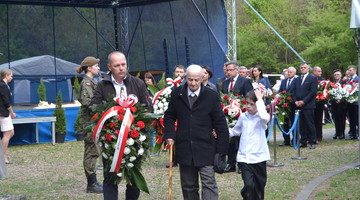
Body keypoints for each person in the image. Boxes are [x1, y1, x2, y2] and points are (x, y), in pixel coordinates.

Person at [90, 51, 152, 200]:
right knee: (110, 176)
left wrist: (137, 120)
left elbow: (149, 108)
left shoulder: (138, 83)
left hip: (134, 137)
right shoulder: (102, 85)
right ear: (109, 67)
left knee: (133, 176)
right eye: (117, 65)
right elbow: (93, 107)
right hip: (111, 138)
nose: (121, 68)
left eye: (123, 64)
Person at [164, 64, 229, 200]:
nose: (193, 83)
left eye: (196, 80)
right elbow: (169, 116)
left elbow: (220, 123)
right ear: (185, 78)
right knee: (188, 186)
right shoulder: (177, 93)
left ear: (202, 78)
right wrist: (169, 135)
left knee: (208, 183)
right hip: (185, 146)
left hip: (206, 146)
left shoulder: (211, 95)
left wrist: (222, 149)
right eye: (190, 80)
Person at [229, 89, 270, 200]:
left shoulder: (262, 118)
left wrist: (260, 100)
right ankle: (246, 193)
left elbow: (265, 117)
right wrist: (222, 132)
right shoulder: (243, 117)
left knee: (259, 186)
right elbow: (235, 131)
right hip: (245, 158)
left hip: (259, 157)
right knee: (249, 185)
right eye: (247, 103)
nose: (248, 106)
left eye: (252, 104)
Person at [76, 56, 102, 193]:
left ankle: (94, 182)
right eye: (96, 66)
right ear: (90, 68)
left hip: (93, 122)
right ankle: (91, 184)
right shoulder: (86, 83)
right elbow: (87, 102)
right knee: (91, 152)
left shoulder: (91, 81)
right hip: (89, 123)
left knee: (94, 151)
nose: (98, 68)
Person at [221, 61, 253, 174]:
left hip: (241, 114)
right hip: (228, 115)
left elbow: (250, 97)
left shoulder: (245, 81)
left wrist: (242, 107)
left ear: (236, 70)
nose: (228, 72)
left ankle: (242, 164)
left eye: (230, 70)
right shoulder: (225, 83)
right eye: (227, 70)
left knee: (241, 140)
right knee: (229, 139)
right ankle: (231, 163)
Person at [293, 63, 318, 149]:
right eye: (301, 68)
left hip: (308, 105)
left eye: (304, 67)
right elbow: (293, 91)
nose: (303, 69)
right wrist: (296, 101)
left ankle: (313, 141)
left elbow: (312, 92)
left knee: (309, 124)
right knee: (301, 125)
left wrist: (303, 101)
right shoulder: (297, 79)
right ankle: (303, 141)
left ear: (308, 69)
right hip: (298, 106)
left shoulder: (312, 78)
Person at [0, 69, 16, 164]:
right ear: (6, 76)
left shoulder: (4, 85)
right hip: (3, 112)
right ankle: (3, 157)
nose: (12, 77)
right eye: (11, 76)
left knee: (11, 132)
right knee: (7, 133)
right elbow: (6, 101)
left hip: (4, 112)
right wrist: (12, 112)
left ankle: (3, 154)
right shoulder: (3, 86)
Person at [278, 66, 296, 146]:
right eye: (288, 72)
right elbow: (281, 91)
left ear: (294, 73)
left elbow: (297, 92)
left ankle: (294, 140)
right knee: (285, 123)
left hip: (293, 105)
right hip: (284, 106)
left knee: (293, 123)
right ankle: (286, 140)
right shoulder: (284, 81)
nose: (289, 73)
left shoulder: (297, 81)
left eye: (290, 72)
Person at [331, 69, 347, 140]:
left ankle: (341, 133)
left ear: (341, 75)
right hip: (334, 103)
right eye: (335, 75)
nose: (336, 76)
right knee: (336, 118)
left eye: (338, 74)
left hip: (342, 103)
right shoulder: (332, 83)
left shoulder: (343, 82)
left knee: (342, 118)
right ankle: (337, 132)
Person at [346, 65, 359, 140]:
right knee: (351, 119)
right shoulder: (349, 79)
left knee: (357, 118)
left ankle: (358, 133)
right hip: (350, 102)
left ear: (354, 70)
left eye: (350, 70)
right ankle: (353, 133)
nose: (349, 71)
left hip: (356, 102)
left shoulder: (357, 79)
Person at [312, 66, 325, 143]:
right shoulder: (310, 79)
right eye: (319, 71)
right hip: (310, 103)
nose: (320, 73)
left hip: (319, 103)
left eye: (320, 71)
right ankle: (311, 136)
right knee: (311, 121)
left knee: (319, 120)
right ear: (314, 72)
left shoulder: (322, 80)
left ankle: (319, 137)